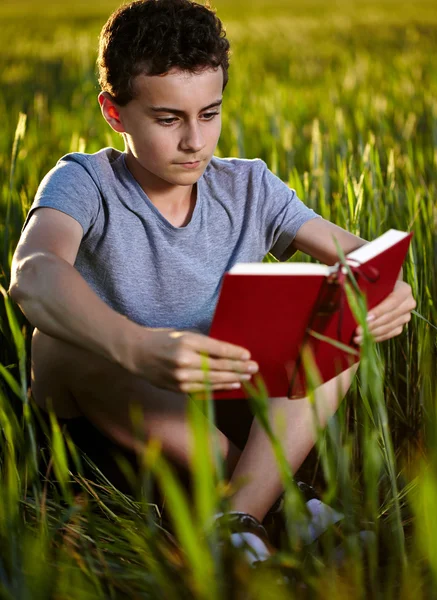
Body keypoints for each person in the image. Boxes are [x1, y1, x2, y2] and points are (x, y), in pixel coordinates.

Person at [8, 0, 415, 564]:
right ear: (114, 112)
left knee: (335, 320)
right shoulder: (86, 180)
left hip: (224, 404)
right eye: (169, 119)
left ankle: (240, 518)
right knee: (55, 340)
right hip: (111, 423)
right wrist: (138, 346)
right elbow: (33, 271)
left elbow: (361, 258)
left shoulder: (247, 185)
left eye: (211, 114)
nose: (195, 141)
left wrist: (388, 288)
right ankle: (282, 504)